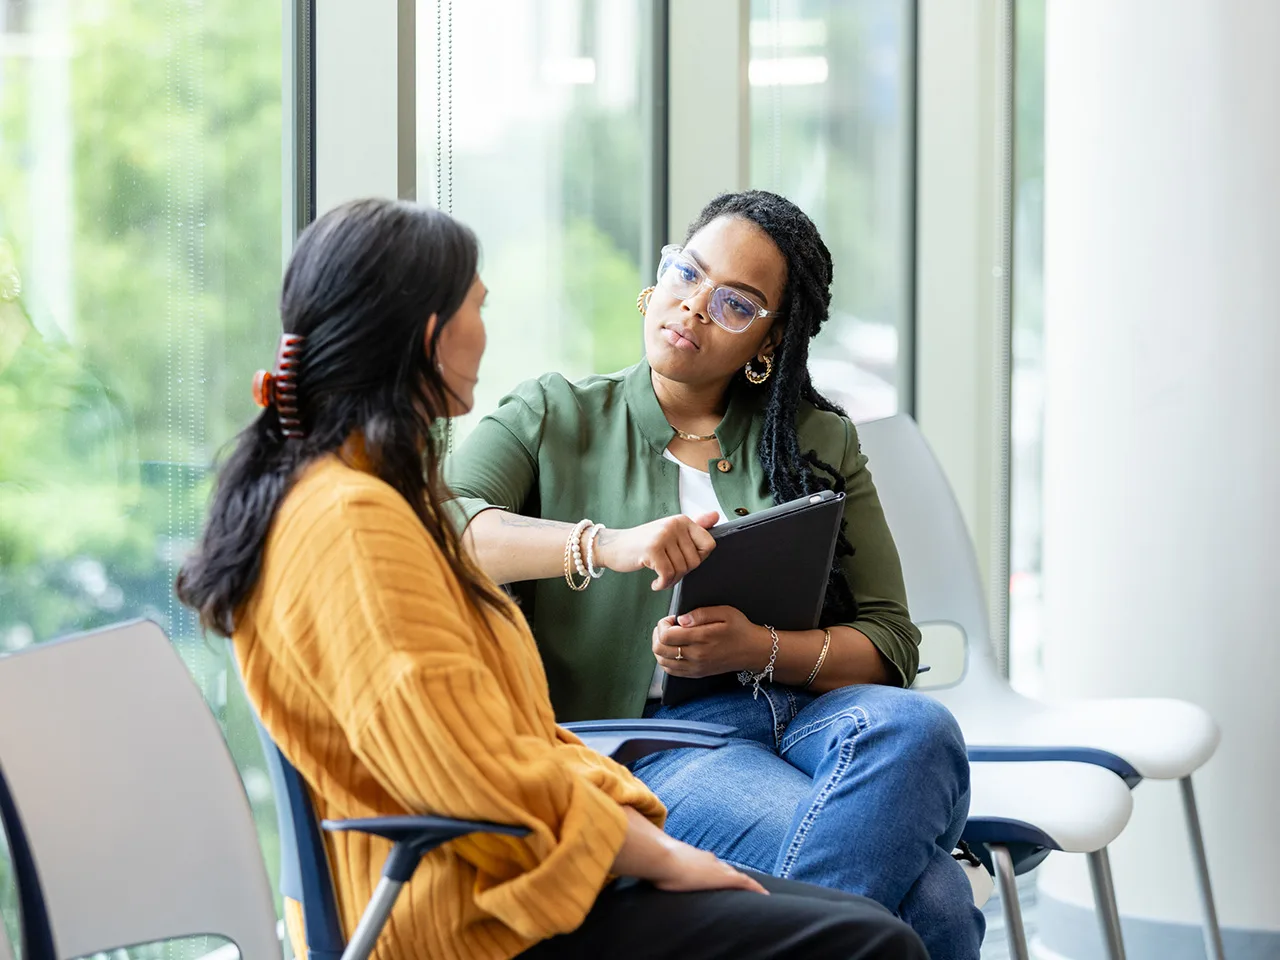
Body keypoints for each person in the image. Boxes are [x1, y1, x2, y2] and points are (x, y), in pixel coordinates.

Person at [174, 198, 926, 960]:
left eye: (733, 302)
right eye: (479, 307)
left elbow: (488, 746)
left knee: (909, 828)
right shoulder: (357, 520)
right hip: (478, 902)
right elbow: (465, 766)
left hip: (526, 858)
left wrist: (635, 826)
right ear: (434, 335)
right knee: (893, 926)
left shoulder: (363, 502)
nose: (695, 306)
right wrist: (653, 849)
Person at [448, 189, 985, 958]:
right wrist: (608, 545)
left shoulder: (817, 438)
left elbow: (890, 642)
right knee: (933, 895)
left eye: (736, 304)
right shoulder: (553, 415)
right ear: (657, 277)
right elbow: (443, 530)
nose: (695, 307)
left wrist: (756, 648)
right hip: (651, 744)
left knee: (921, 728)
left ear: (769, 340)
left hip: (804, 721)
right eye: (687, 275)